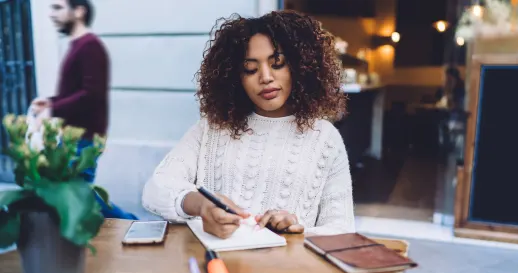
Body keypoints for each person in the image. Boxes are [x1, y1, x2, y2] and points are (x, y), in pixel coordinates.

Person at [142, 10, 355, 238]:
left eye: (277, 63)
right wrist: (201, 205)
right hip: (216, 264)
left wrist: (295, 229)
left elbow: (342, 233)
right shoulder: (212, 128)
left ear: (300, 67)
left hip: (287, 270)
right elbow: (155, 189)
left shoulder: (325, 139)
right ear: (235, 77)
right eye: (250, 69)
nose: (265, 77)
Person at [31, 0, 137, 220]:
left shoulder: (90, 46)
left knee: (80, 194)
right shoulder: (78, 45)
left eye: (58, 8)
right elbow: (79, 92)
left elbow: (91, 95)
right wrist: (50, 103)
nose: (51, 14)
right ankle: (130, 225)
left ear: (79, 11)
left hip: (85, 138)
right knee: (80, 194)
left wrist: (53, 110)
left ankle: (132, 224)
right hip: (75, 136)